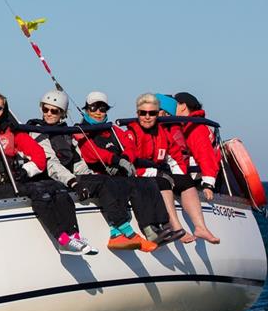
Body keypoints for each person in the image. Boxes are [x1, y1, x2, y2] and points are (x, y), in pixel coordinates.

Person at [0, 93, 97, 255]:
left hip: (10, 182)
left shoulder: (13, 133)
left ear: (5, 110)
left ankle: (74, 235)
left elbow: (39, 156)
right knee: (38, 192)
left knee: (56, 187)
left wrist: (25, 171)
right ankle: (62, 240)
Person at [26, 90, 144, 251]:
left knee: (107, 181)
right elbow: (51, 164)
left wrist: (89, 176)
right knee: (97, 185)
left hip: (68, 177)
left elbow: (77, 161)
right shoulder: (38, 131)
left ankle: (117, 233)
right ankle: (126, 230)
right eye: (45, 109)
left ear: (62, 113)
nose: (48, 114)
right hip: (51, 180)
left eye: (54, 111)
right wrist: (74, 182)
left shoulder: (66, 132)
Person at [74, 91, 180, 250]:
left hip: (119, 171)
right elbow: (90, 153)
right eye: (94, 108)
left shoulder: (114, 130)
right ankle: (118, 232)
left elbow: (130, 147)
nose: (98, 112)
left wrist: (125, 158)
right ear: (87, 109)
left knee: (147, 183)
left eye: (102, 108)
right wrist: (116, 160)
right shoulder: (80, 131)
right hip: (97, 174)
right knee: (119, 186)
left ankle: (155, 228)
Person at [127, 93, 219, 244]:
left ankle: (200, 227)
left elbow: (174, 156)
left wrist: (179, 175)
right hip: (139, 174)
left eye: (155, 112)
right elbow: (130, 160)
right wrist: (156, 172)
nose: (149, 117)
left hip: (159, 172)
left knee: (185, 181)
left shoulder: (164, 133)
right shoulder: (133, 132)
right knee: (163, 181)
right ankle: (176, 227)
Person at [174, 92, 222, 205]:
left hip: (199, 180)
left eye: (175, 104)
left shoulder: (195, 129)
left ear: (183, 106)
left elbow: (206, 156)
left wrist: (208, 184)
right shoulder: (194, 125)